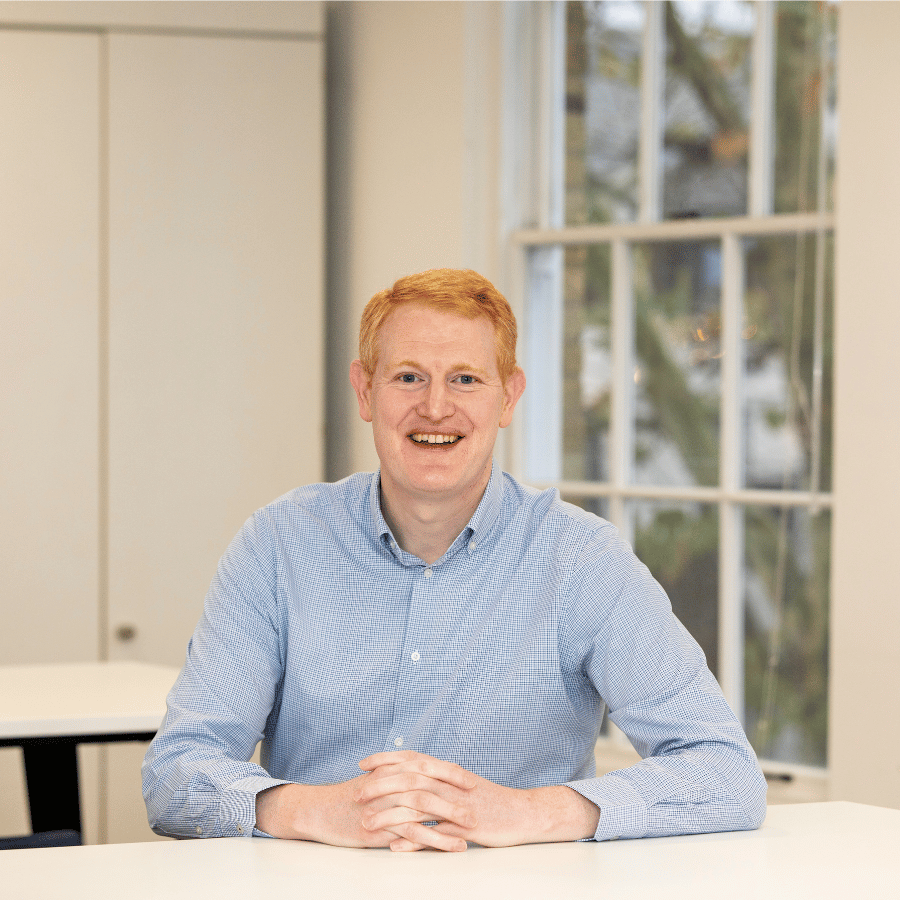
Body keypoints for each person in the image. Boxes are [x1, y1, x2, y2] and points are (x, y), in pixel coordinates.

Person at [143, 268, 766, 851]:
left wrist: (527, 813)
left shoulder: (582, 561)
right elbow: (175, 774)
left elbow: (724, 772)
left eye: (465, 379)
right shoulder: (278, 546)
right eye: (408, 377)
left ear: (508, 397)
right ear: (364, 390)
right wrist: (315, 810)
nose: (436, 407)